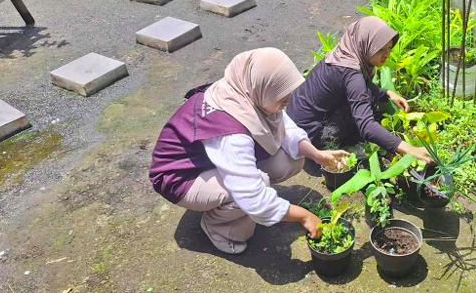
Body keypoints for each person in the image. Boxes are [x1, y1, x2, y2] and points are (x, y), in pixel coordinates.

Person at [149, 48, 349, 255]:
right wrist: (304, 216)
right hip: (181, 178)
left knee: (291, 159)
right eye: (281, 95)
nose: (288, 101)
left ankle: (238, 200)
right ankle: (218, 228)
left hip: (209, 161)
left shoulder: (244, 89)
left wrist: (316, 154)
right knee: (254, 188)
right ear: (261, 87)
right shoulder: (230, 131)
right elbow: (250, 195)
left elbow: (285, 126)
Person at [287, 16, 432, 163]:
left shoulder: (345, 53)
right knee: (365, 102)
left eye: (389, 48)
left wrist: (386, 93)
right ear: (365, 44)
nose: (387, 54)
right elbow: (366, 125)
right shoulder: (351, 72)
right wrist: (409, 149)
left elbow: (356, 86)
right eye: (380, 49)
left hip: (296, 118)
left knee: (368, 94)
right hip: (308, 135)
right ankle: (338, 147)